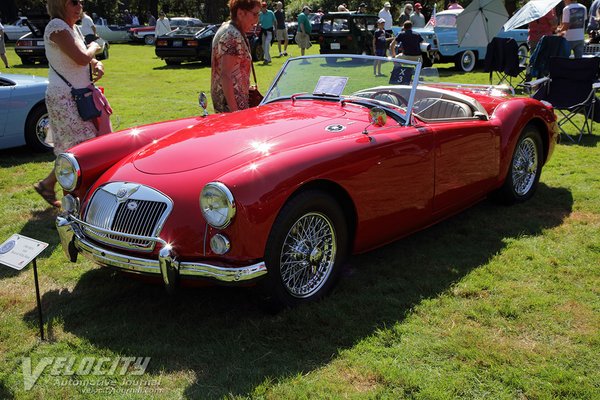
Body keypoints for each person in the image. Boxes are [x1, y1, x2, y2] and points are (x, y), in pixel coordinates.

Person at [35, 0, 111, 208]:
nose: (79, 6)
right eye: (73, 2)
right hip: (65, 98)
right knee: (78, 148)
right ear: (60, 4)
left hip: (79, 96)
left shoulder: (73, 28)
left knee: (80, 145)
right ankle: (75, 198)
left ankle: (48, 185)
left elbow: (82, 57)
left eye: (81, 2)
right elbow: (80, 57)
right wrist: (94, 47)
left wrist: (97, 63)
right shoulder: (56, 27)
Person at [211, 0, 261, 113]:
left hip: (229, 107)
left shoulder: (229, 29)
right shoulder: (232, 35)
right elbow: (225, 75)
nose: (257, 19)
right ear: (240, 13)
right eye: (255, 14)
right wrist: (235, 112)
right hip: (231, 111)